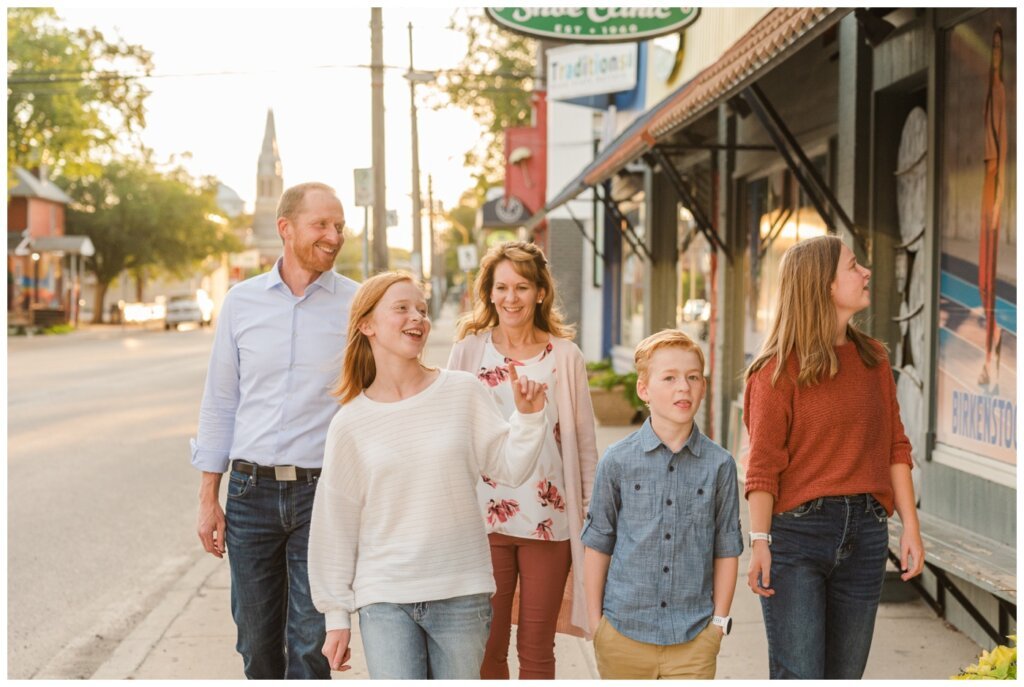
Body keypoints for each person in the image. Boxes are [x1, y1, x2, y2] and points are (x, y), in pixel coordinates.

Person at [308, 271, 549, 680]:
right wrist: (336, 615)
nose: (416, 318)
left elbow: (508, 468)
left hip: (461, 592)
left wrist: (528, 419)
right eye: (401, 308)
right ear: (367, 324)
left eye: (421, 309)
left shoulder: (462, 391)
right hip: (385, 597)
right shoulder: (350, 422)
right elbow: (335, 524)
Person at [191, 182, 358, 679]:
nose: (334, 236)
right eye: (322, 225)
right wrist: (208, 497)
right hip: (249, 492)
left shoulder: (356, 305)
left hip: (322, 494)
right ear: (286, 229)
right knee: (256, 643)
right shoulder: (241, 303)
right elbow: (221, 402)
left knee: (312, 645)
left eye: (340, 226)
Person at [743, 235, 925, 679]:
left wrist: (910, 529)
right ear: (823, 284)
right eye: (853, 266)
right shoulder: (774, 372)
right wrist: (760, 542)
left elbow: (895, 447)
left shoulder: (874, 359)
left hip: (865, 534)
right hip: (797, 537)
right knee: (801, 673)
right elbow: (762, 469)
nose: (866, 272)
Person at [447, 241, 598, 679]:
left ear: (540, 293)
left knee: (536, 649)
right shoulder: (469, 351)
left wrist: (589, 516)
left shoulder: (565, 357)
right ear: (489, 294)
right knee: (486, 648)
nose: (511, 297)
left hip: (547, 520)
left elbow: (583, 444)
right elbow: (453, 433)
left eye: (522, 287)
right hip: (481, 523)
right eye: (502, 287)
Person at [583, 329, 742, 680]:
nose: (683, 387)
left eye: (692, 377)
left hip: (694, 639)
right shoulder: (617, 461)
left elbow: (727, 549)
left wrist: (717, 626)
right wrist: (597, 626)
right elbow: (598, 543)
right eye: (669, 378)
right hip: (623, 634)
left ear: (703, 387)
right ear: (644, 390)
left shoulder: (720, 465)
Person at [977, 24, 1006, 388]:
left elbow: (1004, 152)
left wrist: (999, 200)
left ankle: (988, 357)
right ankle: (993, 336)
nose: (995, 54)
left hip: (994, 184)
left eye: (999, 49)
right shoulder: (990, 90)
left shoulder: (999, 92)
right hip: (987, 183)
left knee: (989, 282)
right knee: (983, 281)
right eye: (992, 49)